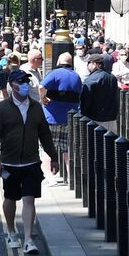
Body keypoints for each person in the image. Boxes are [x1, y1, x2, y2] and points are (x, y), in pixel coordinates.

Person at [0, 68, 59, 255]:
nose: (25, 85)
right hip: (10, 162)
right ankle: (11, 232)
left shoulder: (36, 107)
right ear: (12, 86)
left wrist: (54, 156)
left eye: (26, 82)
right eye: (21, 82)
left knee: (29, 198)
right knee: (10, 198)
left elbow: (44, 134)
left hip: (31, 161)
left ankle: (28, 239)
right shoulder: (2, 109)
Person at [40, 52, 84, 181]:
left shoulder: (54, 73)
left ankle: (49, 177)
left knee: (47, 147)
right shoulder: (76, 77)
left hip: (52, 117)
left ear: (58, 62)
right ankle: (70, 177)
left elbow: (41, 86)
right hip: (69, 117)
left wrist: (43, 98)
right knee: (67, 149)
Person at [80, 52, 120, 134]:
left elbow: (85, 101)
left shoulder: (91, 79)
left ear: (94, 64)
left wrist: (83, 114)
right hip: (112, 117)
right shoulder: (112, 77)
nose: (87, 66)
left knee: (97, 145)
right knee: (111, 144)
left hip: (96, 119)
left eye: (88, 63)